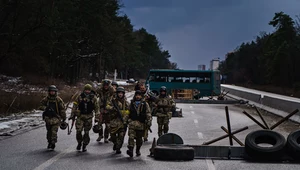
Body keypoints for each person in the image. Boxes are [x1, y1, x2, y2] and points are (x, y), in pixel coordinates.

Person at [70, 84, 99, 152]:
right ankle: (79, 142)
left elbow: (97, 108)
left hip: (88, 117)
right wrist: (72, 114)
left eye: (88, 90)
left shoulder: (93, 98)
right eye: (86, 90)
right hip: (80, 116)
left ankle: (85, 145)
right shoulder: (79, 97)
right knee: (78, 131)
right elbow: (75, 105)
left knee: (86, 132)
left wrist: (97, 117)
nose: (87, 91)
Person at [39, 85, 66, 150]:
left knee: (54, 131)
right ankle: (49, 142)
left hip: (56, 118)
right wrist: (45, 108)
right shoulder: (46, 99)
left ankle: (53, 143)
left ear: (55, 92)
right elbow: (40, 106)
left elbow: (62, 109)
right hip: (48, 118)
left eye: (53, 91)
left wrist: (63, 117)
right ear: (49, 92)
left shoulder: (58, 99)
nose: (52, 93)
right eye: (51, 91)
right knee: (49, 132)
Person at [125, 90, 152, 157]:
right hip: (132, 124)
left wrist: (149, 121)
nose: (138, 97)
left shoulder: (145, 104)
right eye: (137, 95)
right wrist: (125, 120)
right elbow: (127, 112)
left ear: (141, 96)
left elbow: (148, 113)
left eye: (139, 95)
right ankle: (130, 150)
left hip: (141, 124)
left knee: (139, 139)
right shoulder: (131, 103)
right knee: (131, 137)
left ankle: (137, 150)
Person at [107, 86, 129, 154]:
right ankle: (115, 143)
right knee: (113, 136)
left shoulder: (126, 102)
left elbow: (129, 111)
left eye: (121, 93)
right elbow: (107, 106)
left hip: (122, 121)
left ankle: (118, 148)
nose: (120, 94)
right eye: (119, 93)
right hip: (114, 121)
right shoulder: (112, 100)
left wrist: (124, 114)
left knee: (121, 136)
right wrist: (112, 108)